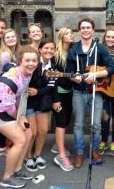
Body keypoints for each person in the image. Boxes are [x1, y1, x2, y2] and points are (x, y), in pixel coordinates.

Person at [0, 46, 39, 188]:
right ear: (20, 61)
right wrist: (20, 117)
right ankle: (6, 178)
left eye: (34, 60)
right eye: (27, 60)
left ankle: (17, 169)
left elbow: (21, 97)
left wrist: (21, 116)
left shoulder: (28, 74)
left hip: (11, 109)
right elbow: (8, 106)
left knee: (28, 133)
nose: (31, 63)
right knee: (20, 139)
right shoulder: (13, 76)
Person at [66, 17, 114, 168]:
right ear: (79, 30)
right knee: (78, 124)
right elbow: (68, 71)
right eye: (83, 28)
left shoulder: (100, 48)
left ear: (93, 30)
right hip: (79, 92)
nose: (86, 30)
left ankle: (94, 149)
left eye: (89, 28)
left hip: (96, 91)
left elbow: (112, 68)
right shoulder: (73, 49)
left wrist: (95, 75)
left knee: (96, 124)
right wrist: (74, 78)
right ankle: (80, 152)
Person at [24, 39, 56, 172]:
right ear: (40, 50)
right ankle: (27, 157)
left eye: (52, 49)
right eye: (46, 48)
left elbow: (51, 85)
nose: (49, 51)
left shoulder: (53, 66)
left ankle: (37, 155)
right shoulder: (33, 62)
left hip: (43, 101)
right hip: (29, 101)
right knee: (32, 132)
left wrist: (38, 91)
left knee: (43, 130)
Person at [0, 28, 22, 157]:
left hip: (13, 89)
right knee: (5, 117)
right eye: (7, 37)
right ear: (4, 40)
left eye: (12, 36)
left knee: (9, 116)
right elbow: (7, 73)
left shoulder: (17, 51)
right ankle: (2, 147)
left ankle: (5, 144)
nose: (11, 39)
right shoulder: (5, 54)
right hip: (5, 89)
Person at [98, 25, 114, 157]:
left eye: (113, 37)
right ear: (105, 37)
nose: (110, 39)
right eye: (108, 36)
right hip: (103, 87)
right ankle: (104, 141)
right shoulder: (99, 49)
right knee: (105, 117)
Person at [51, 27, 75, 171]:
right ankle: (60, 156)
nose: (70, 35)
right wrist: (55, 98)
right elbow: (52, 77)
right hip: (58, 93)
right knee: (60, 121)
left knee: (65, 120)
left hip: (70, 92)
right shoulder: (55, 54)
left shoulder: (73, 51)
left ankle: (56, 145)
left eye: (71, 33)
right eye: (67, 33)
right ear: (61, 37)